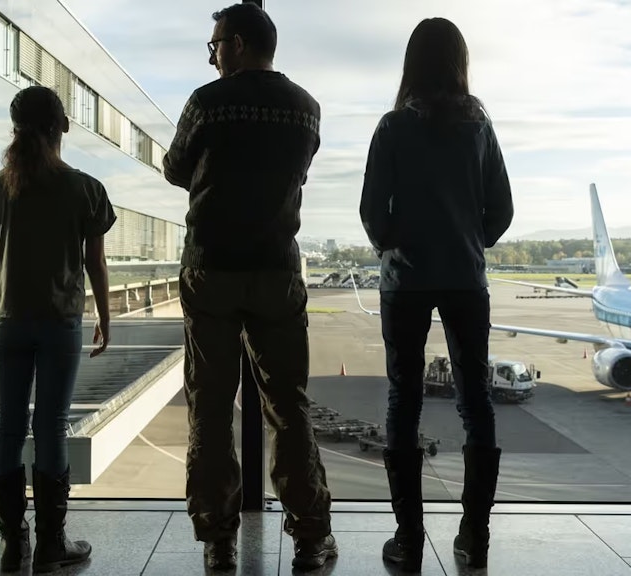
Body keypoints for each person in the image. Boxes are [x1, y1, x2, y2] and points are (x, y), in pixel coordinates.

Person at [162, 3, 337, 571]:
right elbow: (295, 173)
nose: (212, 56)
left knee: (211, 406)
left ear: (237, 44)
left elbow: (175, 168)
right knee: (288, 405)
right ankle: (310, 535)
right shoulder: (306, 109)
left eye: (215, 45)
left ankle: (218, 538)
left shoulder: (206, 102)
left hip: (211, 268)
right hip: (276, 270)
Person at [359, 17, 514, 572]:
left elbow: (371, 211)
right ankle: (475, 536)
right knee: (476, 403)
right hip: (466, 279)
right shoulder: (479, 128)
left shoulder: (393, 126)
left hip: (406, 280)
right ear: (459, 63)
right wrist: (469, 239)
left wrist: (394, 243)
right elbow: (502, 210)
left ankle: (408, 539)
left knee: (404, 402)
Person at [0, 85, 116, 574]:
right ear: (64, 126)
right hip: (60, 323)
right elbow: (95, 263)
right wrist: (104, 314)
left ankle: (14, 543)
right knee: (51, 426)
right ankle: (52, 545)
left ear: (15, 129)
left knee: (8, 426)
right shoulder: (85, 189)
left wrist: (0, 305)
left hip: (9, 322)